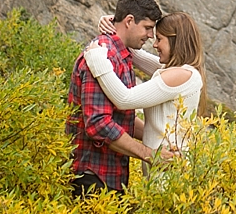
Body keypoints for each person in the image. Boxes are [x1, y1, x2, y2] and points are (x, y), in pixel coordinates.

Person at [66, 0, 163, 197]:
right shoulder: (102, 55)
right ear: (129, 21)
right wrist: (150, 155)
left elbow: (121, 118)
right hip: (92, 177)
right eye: (147, 28)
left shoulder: (121, 55)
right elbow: (99, 124)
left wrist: (158, 136)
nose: (150, 36)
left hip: (109, 176)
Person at [86, 11, 208, 173]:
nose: (155, 44)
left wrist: (96, 59)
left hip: (168, 171)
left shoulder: (182, 75)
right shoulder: (176, 71)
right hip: (163, 169)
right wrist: (114, 24)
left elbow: (124, 99)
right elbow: (133, 50)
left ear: (175, 42)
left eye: (159, 39)